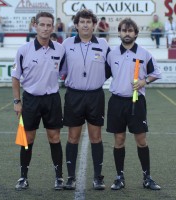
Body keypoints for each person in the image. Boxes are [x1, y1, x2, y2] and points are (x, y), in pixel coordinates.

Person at [105, 18, 162, 191]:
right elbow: (103, 74)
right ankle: (119, 177)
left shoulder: (144, 54)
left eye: (130, 31)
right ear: (119, 33)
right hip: (116, 101)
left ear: (136, 33)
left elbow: (157, 72)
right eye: (124, 30)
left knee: (141, 140)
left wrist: (145, 81)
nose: (127, 33)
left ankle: (147, 177)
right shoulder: (112, 54)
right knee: (119, 140)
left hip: (136, 101)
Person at [12, 12, 65, 191]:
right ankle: (23, 177)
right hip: (30, 100)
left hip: (52, 100)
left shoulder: (60, 49)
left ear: (53, 27)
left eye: (49, 25)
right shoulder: (24, 50)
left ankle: (59, 177)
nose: (45, 28)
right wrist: (17, 101)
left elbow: (64, 71)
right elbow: (15, 77)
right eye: (42, 25)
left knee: (54, 137)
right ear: (35, 25)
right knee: (27, 139)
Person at [61, 9, 110, 190]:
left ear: (94, 25)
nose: (85, 25)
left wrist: (97, 79)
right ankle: (71, 177)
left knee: (96, 137)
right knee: (73, 137)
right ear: (76, 25)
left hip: (95, 95)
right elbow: (58, 68)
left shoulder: (104, 44)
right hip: (74, 95)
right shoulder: (66, 44)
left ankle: (98, 177)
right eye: (82, 22)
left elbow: (111, 66)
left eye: (89, 22)